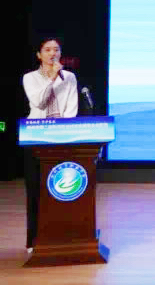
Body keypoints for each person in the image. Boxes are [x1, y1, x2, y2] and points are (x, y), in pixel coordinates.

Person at [22, 37, 78, 251]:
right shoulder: (30, 78)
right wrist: (52, 78)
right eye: (47, 50)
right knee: (36, 190)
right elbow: (38, 102)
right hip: (35, 137)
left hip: (61, 138)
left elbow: (71, 109)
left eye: (56, 49)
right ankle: (33, 241)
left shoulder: (70, 77)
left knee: (62, 189)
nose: (53, 53)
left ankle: (62, 237)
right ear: (39, 55)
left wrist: (64, 133)